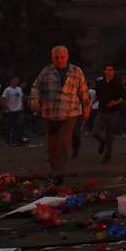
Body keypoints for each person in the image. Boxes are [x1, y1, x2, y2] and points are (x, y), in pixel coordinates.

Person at [30, 46, 91, 184]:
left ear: (67, 56)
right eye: (56, 57)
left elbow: (84, 91)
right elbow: (35, 87)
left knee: (64, 142)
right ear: (52, 58)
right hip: (49, 112)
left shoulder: (76, 71)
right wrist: (34, 100)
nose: (59, 60)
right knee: (52, 145)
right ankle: (54, 170)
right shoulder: (46, 72)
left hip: (69, 112)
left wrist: (87, 107)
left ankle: (59, 173)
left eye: (62, 57)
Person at [91, 64, 125, 162]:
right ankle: (103, 142)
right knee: (95, 132)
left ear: (113, 71)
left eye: (111, 70)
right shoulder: (100, 83)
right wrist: (91, 103)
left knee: (110, 135)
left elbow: (123, 96)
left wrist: (116, 102)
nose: (109, 71)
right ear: (104, 71)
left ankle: (107, 156)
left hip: (113, 112)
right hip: (102, 111)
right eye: (107, 69)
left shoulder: (117, 83)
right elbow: (98, 95)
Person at [0, 77, 25, 146]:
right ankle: (9, 141)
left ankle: (16, 140)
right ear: (11, 81)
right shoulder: (7, 90)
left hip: (19, 110)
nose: (16, 82)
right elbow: (2, 99)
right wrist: (6, 108)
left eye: (17, 81)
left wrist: (22, 105)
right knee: (10, 126)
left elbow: (21, 97)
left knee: (18, 126)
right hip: (11, 111)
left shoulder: (19, 89)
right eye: (15, 80)